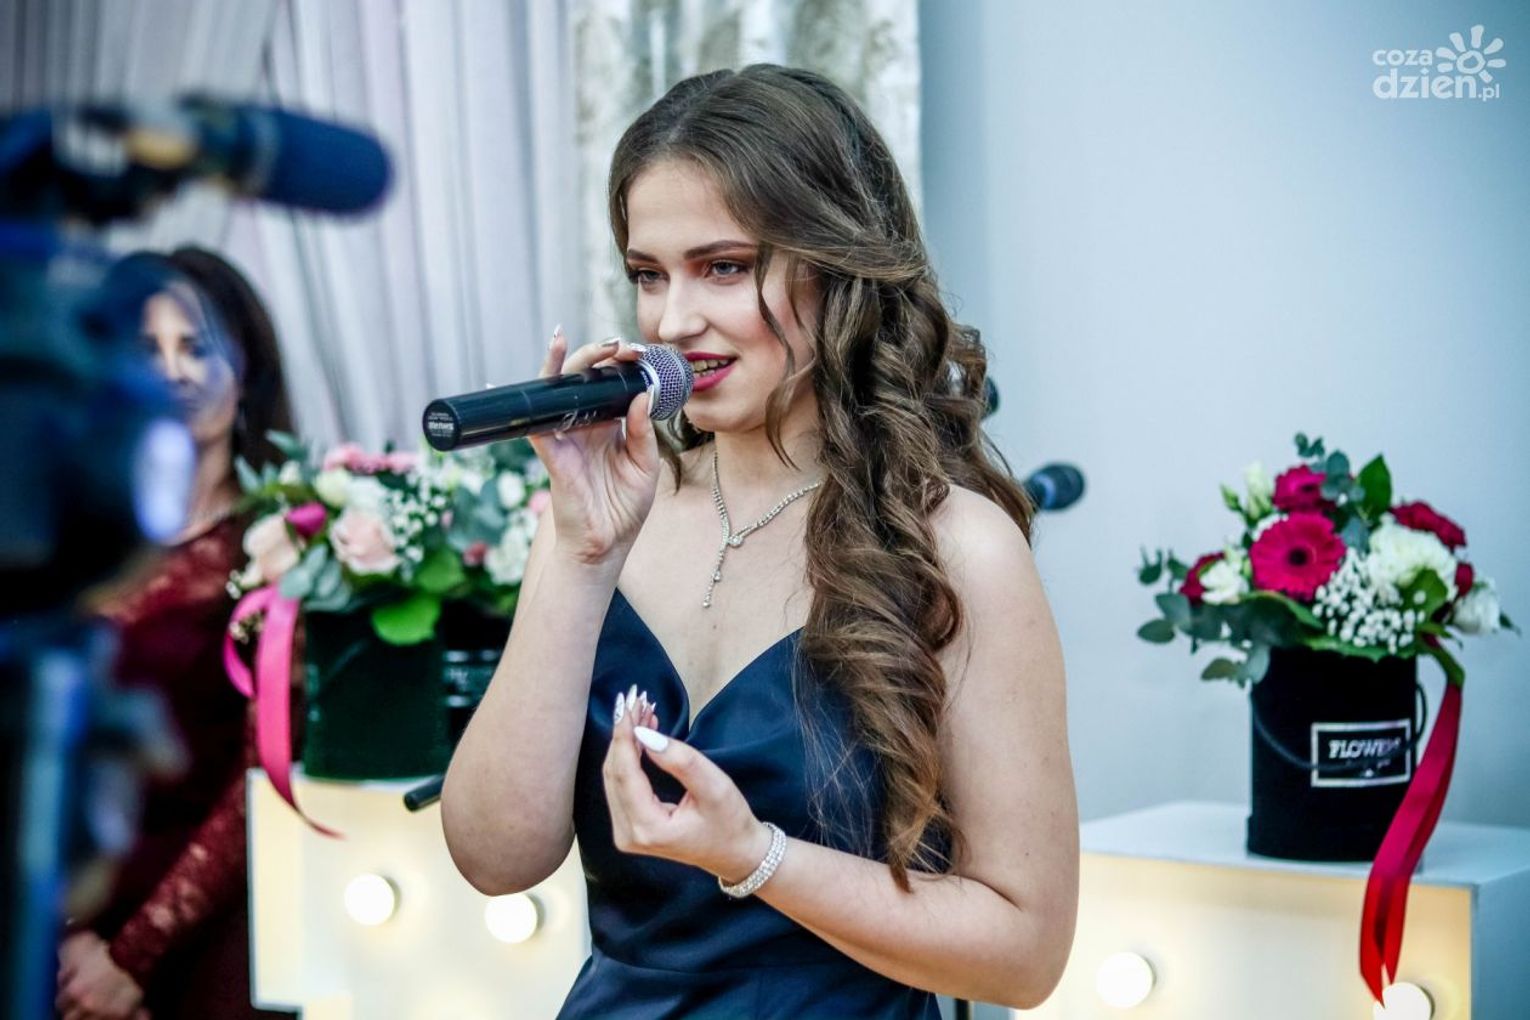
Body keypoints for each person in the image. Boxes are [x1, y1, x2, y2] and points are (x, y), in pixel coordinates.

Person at [442, 64, 1077, 1017]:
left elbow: (1024, 955)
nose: (674, 321)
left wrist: (755, 857)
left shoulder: (957, 548)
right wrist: (578, 555)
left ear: (837, 267)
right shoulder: (604, 519)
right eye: (649, 275)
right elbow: (496, 859)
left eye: (725, 268)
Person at [56, 248, 296, 1020]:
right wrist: (67, 940)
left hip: (211, 932)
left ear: (246, 368)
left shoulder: (284, 542)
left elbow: (261, 778)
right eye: (147, 349)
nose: (174, 372)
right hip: (59, 922)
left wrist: (131, 957)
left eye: (195, 347)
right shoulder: (68, 540)